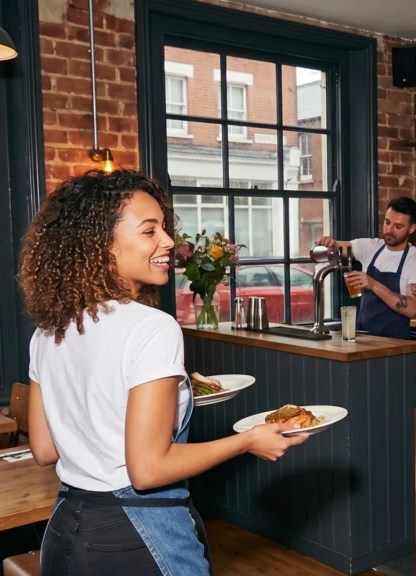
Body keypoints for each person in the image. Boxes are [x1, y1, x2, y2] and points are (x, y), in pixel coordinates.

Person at [19, 170, 307, 576]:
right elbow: (148, 469)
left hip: (65, 531)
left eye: (165, 229)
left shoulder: (48, 331)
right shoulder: (152, 326)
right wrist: (247, 442)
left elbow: (46, 450)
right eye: (149, 230)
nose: (169, 241)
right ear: (102, 246)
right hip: (137, 536)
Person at [316, 196, 416, 340]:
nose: (389, 230)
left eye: (398, 226)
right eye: (387, 222)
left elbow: (412, 308)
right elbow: (336, 247)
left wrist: (373, 284)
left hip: (395, 345)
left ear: (411, 228)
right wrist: (328, 243)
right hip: (363, 339)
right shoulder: (371, 247)